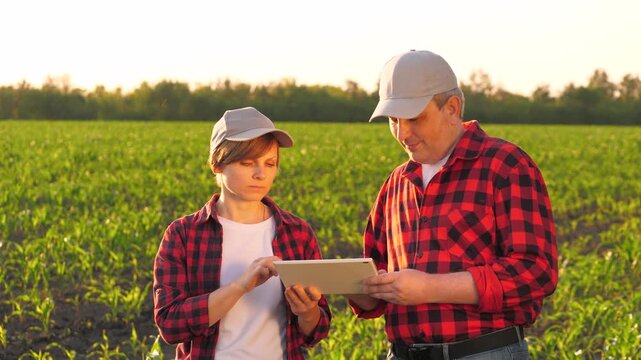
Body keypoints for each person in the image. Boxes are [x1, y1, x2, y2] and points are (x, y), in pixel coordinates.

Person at [348, 50, 558, 359]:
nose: (403, 133)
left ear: (452, 108)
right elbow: (377, 270)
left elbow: (535, 271)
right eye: (393, 121)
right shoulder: (396, 182)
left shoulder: (505, 165)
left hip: (484, 352)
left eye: (414, 118)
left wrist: (430, 288)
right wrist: (362, 289)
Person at [153, 107, 331, 359]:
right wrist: (240, 286)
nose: (260, 174)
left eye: (270, 164)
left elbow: (317, 330)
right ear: (217, 164)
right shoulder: (184, 234)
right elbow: (171, 326)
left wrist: (307, 311)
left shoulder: (297, 232)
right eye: (247, 163)